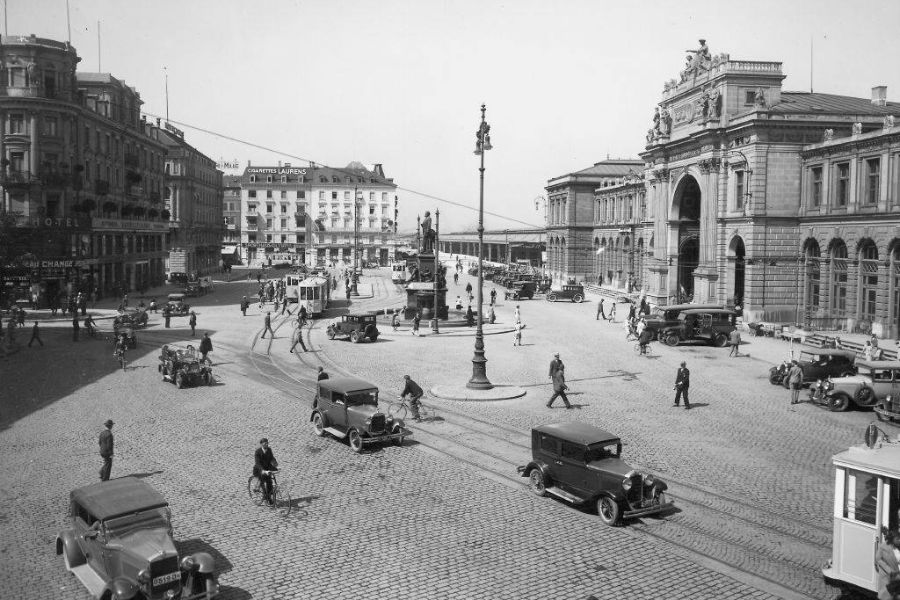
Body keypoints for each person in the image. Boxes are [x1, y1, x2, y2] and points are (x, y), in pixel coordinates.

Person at [875, 530, 900, 600]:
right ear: (892, 539)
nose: (899, 540)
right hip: (888, 576)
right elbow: (878, 559)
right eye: (897, 539)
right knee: (887, 596)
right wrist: (890, 571)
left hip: (897, 576)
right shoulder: (883, 547)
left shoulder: (898, 547)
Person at [253, 438, 279, 504]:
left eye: (267, 443)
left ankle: (269, 495)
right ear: (261, 444)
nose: (266, 444)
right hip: (259, 469)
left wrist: (275, 464)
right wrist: (263, 470)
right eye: (265, 443)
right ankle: (266, 497)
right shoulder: (258, 452)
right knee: (263, 483)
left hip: (267, 468)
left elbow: (272, 458)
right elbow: (257, 463)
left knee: (269, 483)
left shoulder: (269, 450)